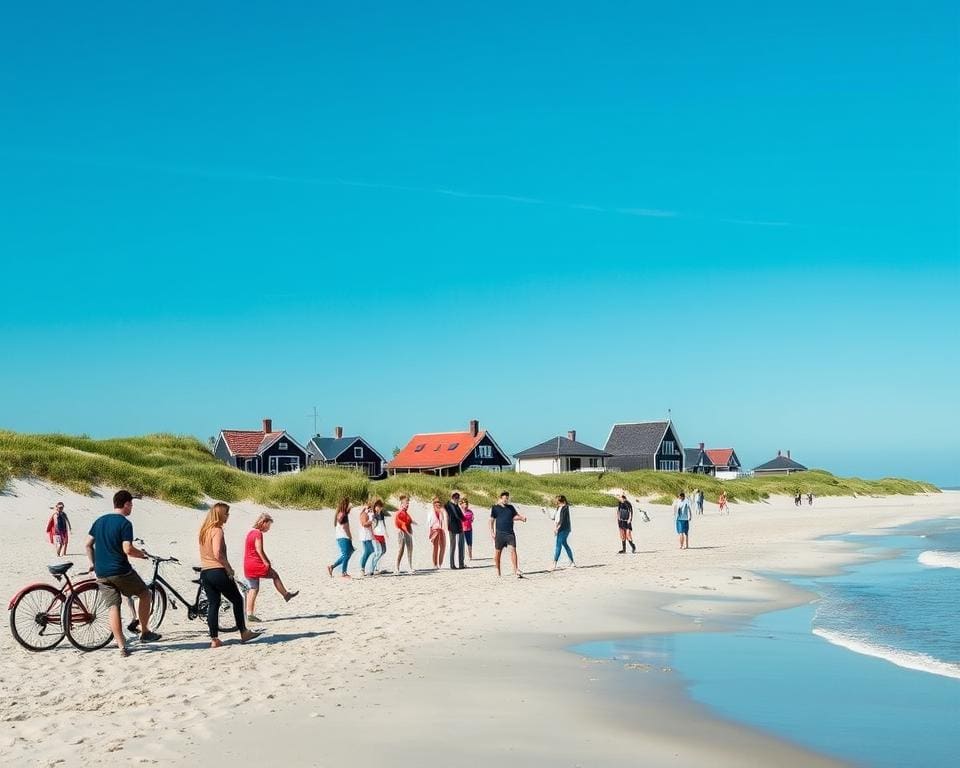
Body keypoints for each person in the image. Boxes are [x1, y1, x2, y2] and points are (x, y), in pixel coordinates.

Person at [85, 489, 161, 656]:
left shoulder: (99, 521)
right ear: (126, 504)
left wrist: (93, 564)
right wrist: (142, 555)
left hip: (101, 572)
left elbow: (88, 544)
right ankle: (145, 632)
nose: (132, 507)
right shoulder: (125, 523)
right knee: (144, 593)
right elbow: (128, 549)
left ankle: (122, 647)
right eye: (131, 504)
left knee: (113, 607)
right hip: (120, 570)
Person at [199, 502, 258, 648]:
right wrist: (229, 568)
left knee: (214, 604)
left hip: (205, 572)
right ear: (220, 514)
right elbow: (217, 553)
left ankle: (214, 639)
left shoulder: (204, 530)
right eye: (226, 513)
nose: (228, 516)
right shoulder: (217, 530)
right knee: (237, 599)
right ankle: (244, 632)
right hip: (217, 570)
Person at [243, 513, 298, 623]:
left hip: (247, 565)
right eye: (268, 525)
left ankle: (249, 614)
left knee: (253, 588)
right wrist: (266, 562)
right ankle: (286, 595)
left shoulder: (250, 533)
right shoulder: (258, 533)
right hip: (256, 564)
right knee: (274, 575)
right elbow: (259, 550)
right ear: (263, 523)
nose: (268, 528)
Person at [489, 491, 527, 578]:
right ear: (501, 498)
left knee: (513, 550)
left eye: (507, 498)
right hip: (500, 534)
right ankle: (498, 571)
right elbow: (491, 520)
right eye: (504, 498)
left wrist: (521, 518)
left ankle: (516, 569)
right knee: (498, 553)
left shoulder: (510, 507)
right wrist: (492, 532)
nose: (506, 499)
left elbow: (514, 517)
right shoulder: (495, 508)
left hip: (510, 533)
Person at [327, 497, 355, 578]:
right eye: (349, 504)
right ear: (345, 505)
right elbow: (345, 528)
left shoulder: (339, 513)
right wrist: (350, 537)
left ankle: (332, 567)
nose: (350, 506)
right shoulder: (343, 514)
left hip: (340, 536)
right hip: (344, 537)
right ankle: (344, 573)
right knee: (346, 555)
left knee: (347, 554)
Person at [550, 495, 575, 571]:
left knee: (558, 545)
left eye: (557, 502)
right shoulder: (559, 508)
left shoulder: (565, 508)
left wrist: (557, 529)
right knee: (564, 544)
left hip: (564, 529)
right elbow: (554, 518)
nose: (557, 503)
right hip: (562, 528)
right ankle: (572, 562)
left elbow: (562, 520)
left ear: (562, 501)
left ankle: (554, 563)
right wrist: (546, 512)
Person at [394, 494, 415, 574]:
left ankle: (410, 567)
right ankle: (396, 567)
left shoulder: (406, 513)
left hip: (408, 533)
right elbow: (401, 524)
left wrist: (413, 525)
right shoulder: (399, 513)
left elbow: (409, 521)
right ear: (402, 504)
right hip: (402, 533)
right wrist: (407, 531)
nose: (407, 504)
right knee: (401, 550)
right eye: (406, 503)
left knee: (410, 549)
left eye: (408, 503)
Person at [445, 492, 465, 570]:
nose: (457, 500)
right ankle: (452, 564)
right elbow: (457, 515)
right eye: (456, 498)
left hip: (459, 527)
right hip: (452, 527)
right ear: (452, 498)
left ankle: (461, 564)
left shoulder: (457, 506)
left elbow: (461, 516)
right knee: (453, 546)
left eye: (458, 498)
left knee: (461, 545)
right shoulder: (448, 505)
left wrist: (466, 519)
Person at [370, 498, 388, 574]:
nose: (378, 508)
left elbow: (383, 524)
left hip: (381, 535)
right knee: (379, 552)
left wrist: (386, 532)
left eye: (379, 506)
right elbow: (373, 525)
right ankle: (372, 569)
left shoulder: (382, 515)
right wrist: (372, 535)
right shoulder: (374, 516)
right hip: (376, 535)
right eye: (376, 506)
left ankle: (376, 568)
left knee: (384, 550)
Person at [358, 501, 376, 576]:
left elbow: (369, 525)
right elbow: (364, 524)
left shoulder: (367, 514)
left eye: (370, 508)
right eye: (369, 508)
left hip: (368, 535)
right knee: (368, 551)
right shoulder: (364, 514)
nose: (370, 509)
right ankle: (362, 568)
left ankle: (362, 567)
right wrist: (371, 520)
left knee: (371, 550)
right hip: (365, 536)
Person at [428, 497, 446, 569]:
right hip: (435, 530)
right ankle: (435, 564)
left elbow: (444, 521)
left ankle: (440, 563)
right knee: (435, 548)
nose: (438, 503)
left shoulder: (442, 511)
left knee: (443, 546)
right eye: (436, 502)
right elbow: (429, 523)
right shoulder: (431, 512)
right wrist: (431, 532)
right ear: (433, 503)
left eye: (439, 502)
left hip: (441, 530)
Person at [460, 495, 475, 562]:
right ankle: (462, 556)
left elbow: (472, 519)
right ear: (461, 504)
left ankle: (470, 555)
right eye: (464, 504)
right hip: (462, 530)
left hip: (469, 529)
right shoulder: (460, 512)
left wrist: (470, 521)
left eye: (466, 504)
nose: (466, 505)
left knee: (469, 543)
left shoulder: (470, 512)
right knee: (462, 544)